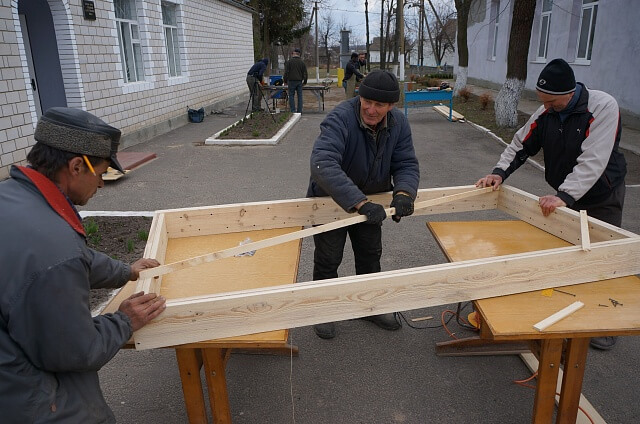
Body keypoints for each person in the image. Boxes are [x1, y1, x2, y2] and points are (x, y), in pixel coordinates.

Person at [0, 107, 167, 422]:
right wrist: (124, 321)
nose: (102, 184)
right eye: (102, 173)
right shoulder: (52, 248)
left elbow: (73, 258)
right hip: (25, 399)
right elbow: (76, 351)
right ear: (77, 166)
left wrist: (126, 271)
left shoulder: (15, 197)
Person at [476, 58, 627, 351]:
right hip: (566, 194)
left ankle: (607, 325)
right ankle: (568, 314)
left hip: (602, 194)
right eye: (542, 102)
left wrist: (565, 196)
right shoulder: (547, 110)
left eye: (551, 102)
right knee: (571, 253)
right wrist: (499, 173)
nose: (545, 107)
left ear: (568, 94)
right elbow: (521, 143)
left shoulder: (602, 107)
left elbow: (593, 159)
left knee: (603, 258)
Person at [307, 70, 420, 339]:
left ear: (391, 106)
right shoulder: (341, 118)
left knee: (370, 254)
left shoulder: (399, 124)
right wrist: (358, 202)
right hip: (332, 200)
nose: (370, 109)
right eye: (366, 101)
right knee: (328, 258)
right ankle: (324, 309)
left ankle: (369, 305)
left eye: (379, 105)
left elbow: (405, 162)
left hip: (373, 201)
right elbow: (322, 163)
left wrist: (404, 192)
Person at [284, 48, 308, 113]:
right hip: (299, 81)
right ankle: (299, 111)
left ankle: (293, 111)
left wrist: (285, 81)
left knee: (291, 95)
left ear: (294, 53)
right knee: (300, 96)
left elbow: (286, 72)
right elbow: (305, 73)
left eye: (292, 53)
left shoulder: (289, 62)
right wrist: (305, 81)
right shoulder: (302, 62)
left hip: (291, 81)